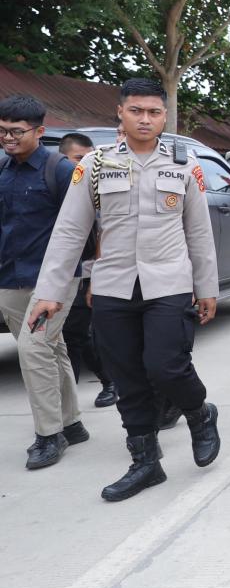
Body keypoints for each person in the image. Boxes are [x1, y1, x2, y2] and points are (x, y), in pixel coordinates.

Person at [31, 78, 223, 501]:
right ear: (120, 113)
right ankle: (146, 462)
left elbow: (199, 231)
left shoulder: (184, 164)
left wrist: (206, 286)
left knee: (166, 366)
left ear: (164, 116)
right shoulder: (95, 165)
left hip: (169, 282)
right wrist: (50, 292)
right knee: (126, 377)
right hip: (113, 285)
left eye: (153, 112)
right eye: (136, 111)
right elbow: (69, 230)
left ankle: (199, 413)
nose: (145, 119)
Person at [0, 95, 89, 469]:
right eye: (3, 131)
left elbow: (83, 226)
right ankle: (72, 423)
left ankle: (49, 435)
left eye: (16, 132)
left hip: (55, 279)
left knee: (33, 349)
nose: (8, 138)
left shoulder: (62, 171)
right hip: (10, 276)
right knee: (51, 348)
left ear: (39, 131)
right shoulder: (2, 170)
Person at [55, 133, 115, 407]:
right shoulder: (53, 184)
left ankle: (69, 408)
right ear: (62, 159)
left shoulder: (97, 188)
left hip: (87, 273)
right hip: (56, 273)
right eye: (78, 159)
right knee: (73, 336)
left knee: (74, 336)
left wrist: (97, 278)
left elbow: (104, 235)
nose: (85, 165)